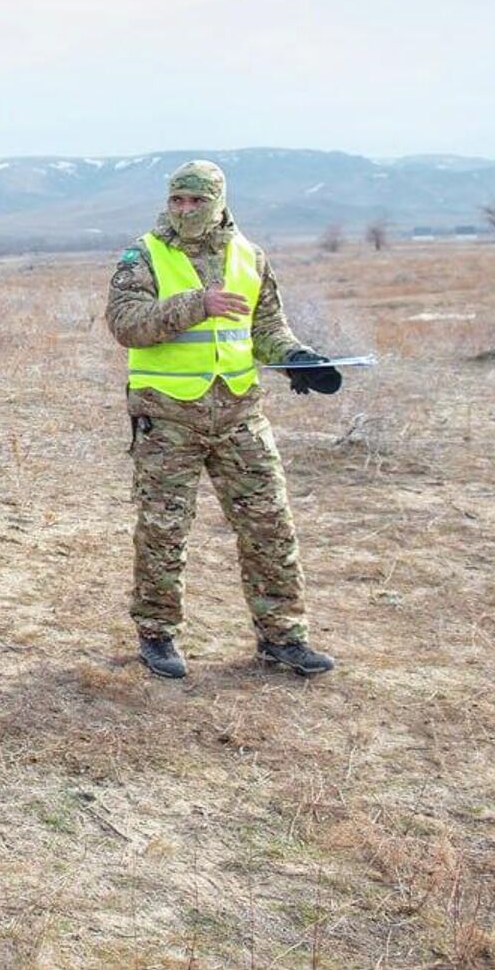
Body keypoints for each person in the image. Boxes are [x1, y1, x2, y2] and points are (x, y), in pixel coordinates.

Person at [105, 159, 341, 679]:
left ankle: (283, 638)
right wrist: (198, 304)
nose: (185, 210)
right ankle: (157, 635)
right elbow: (126, 325)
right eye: (177, 200)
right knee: (164, 531)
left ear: (219, 203)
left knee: (270, 526)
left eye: (196, 201)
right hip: (168, 418)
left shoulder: (249, 256)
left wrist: (297, 360)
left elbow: (267, 327)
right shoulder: (142, 255)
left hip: (238, 413)